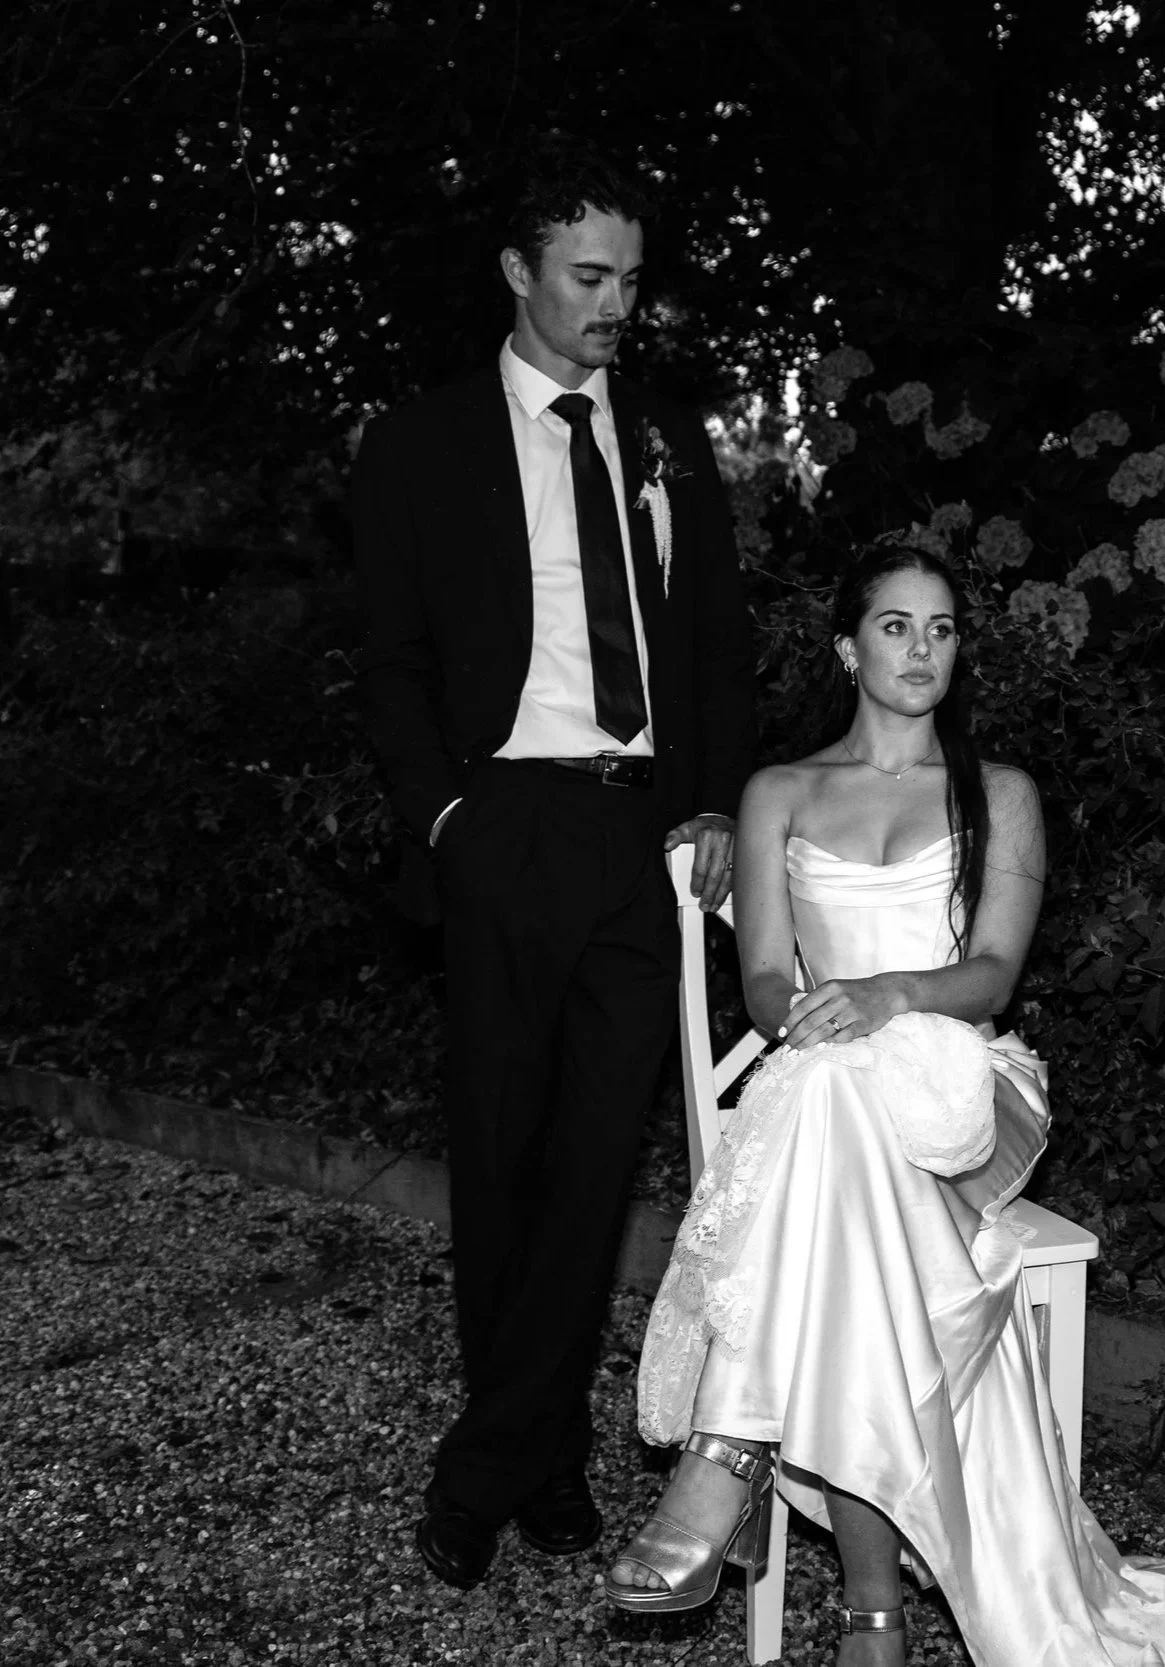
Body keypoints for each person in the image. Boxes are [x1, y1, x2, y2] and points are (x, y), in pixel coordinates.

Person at [606, 545, 1165, 1666]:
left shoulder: (999, 792)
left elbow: (991, 976)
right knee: (840, 1175)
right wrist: (819, 1017)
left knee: (834, 1099)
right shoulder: (778, 791)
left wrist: (884, 996)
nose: (920, 649)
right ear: (845, 649)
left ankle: (725, 1454)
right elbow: (768, 981)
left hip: (963, 1088)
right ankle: (872, 1620)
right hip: (834, 1101)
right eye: (894, 626)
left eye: (940, 629)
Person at [352, 132, 755, 1590]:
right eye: (588, 276)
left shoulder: (670, 438)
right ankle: (535, 1456)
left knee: (592, 1167)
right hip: (504, 823)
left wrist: (714, 806)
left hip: (644, 836)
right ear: (517, 272)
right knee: (503, 1161)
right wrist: (445, 822)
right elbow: (389, 662)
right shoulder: (421, 444)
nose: (615, 305)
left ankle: (502, 1460)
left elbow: (714, 643)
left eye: (630, 279)